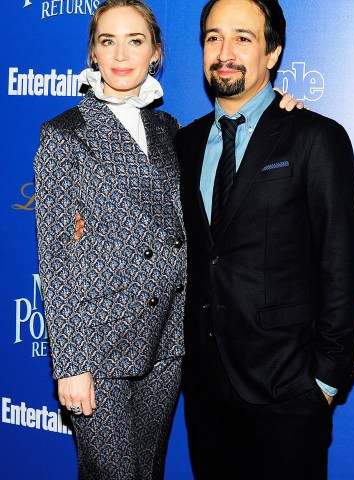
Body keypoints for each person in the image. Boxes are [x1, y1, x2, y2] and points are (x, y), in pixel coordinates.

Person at [175, 0, 354, 479]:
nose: (225, 52)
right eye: (213, 37)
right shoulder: (185, 143)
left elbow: (340, 265)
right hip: (205, 390)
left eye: (243, 37)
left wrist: (324, 380)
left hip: (289, 392)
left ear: (273, 51)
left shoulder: (315, 138)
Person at [34, 1, 187, 478]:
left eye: (135, 40)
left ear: (155, 53)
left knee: (148, 470)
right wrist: (72, 361)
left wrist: (282, 108)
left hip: (166, 337)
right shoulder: (65, 134)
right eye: (108, 40)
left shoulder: (169, 128)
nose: (121, 54)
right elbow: (56, 258)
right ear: (93, 54)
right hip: (98, 346)